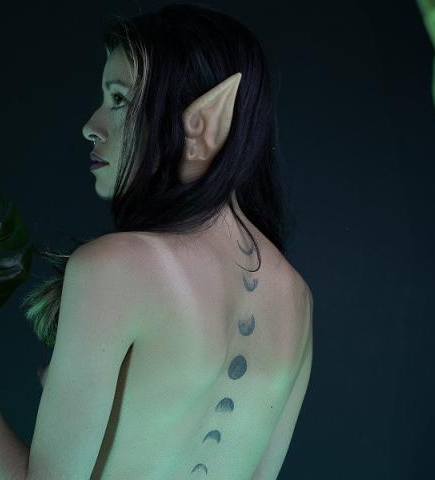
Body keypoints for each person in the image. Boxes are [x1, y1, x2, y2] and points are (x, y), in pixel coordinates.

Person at [22, 3, 313, 478]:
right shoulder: (297, 299)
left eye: (119, 99)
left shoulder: (112, 267)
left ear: (202, 121)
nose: (91, 125)